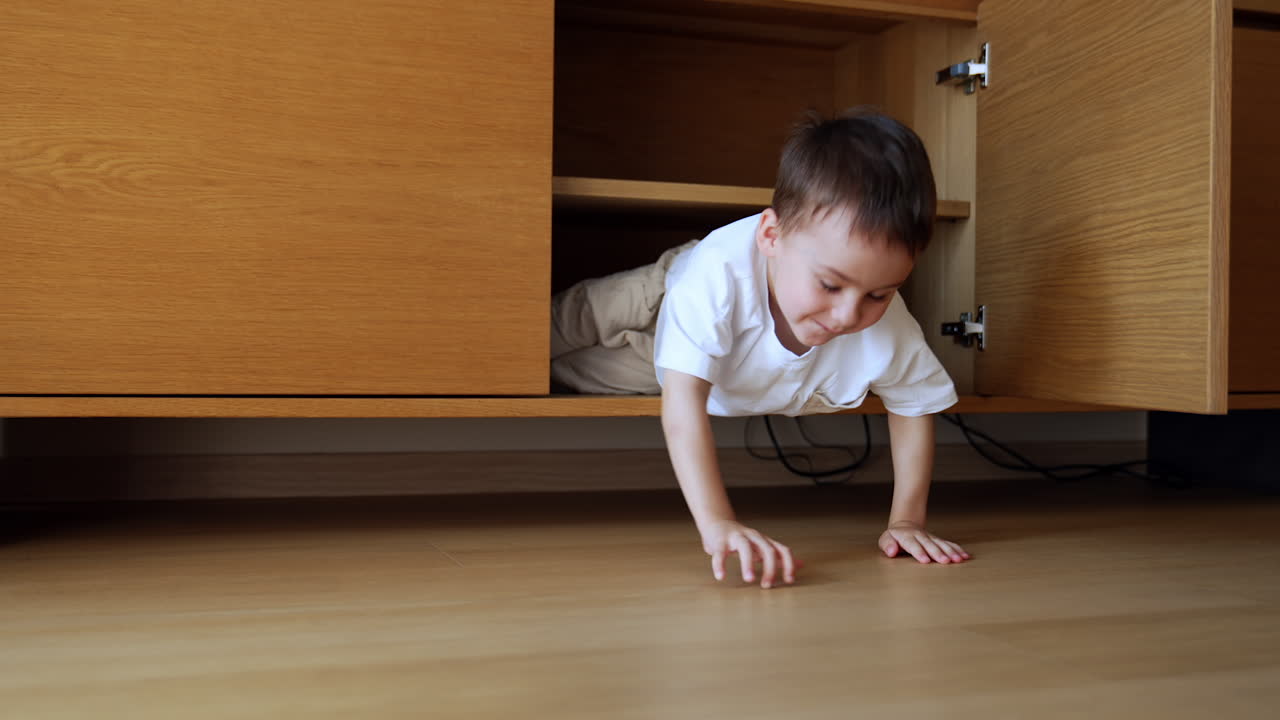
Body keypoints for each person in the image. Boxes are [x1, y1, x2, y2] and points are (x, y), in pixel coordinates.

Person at [550, 107, 971, 589]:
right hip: (665, 294)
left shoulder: (885, 325)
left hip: (690, 366)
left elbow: (913, 406)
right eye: (831, 285)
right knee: (559, 327)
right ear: (771, 235)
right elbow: (684, 404)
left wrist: (907, 520)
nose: (849, 316)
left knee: (566, 373)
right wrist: (717, 522)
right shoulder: (715, 276)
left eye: (879, 293)